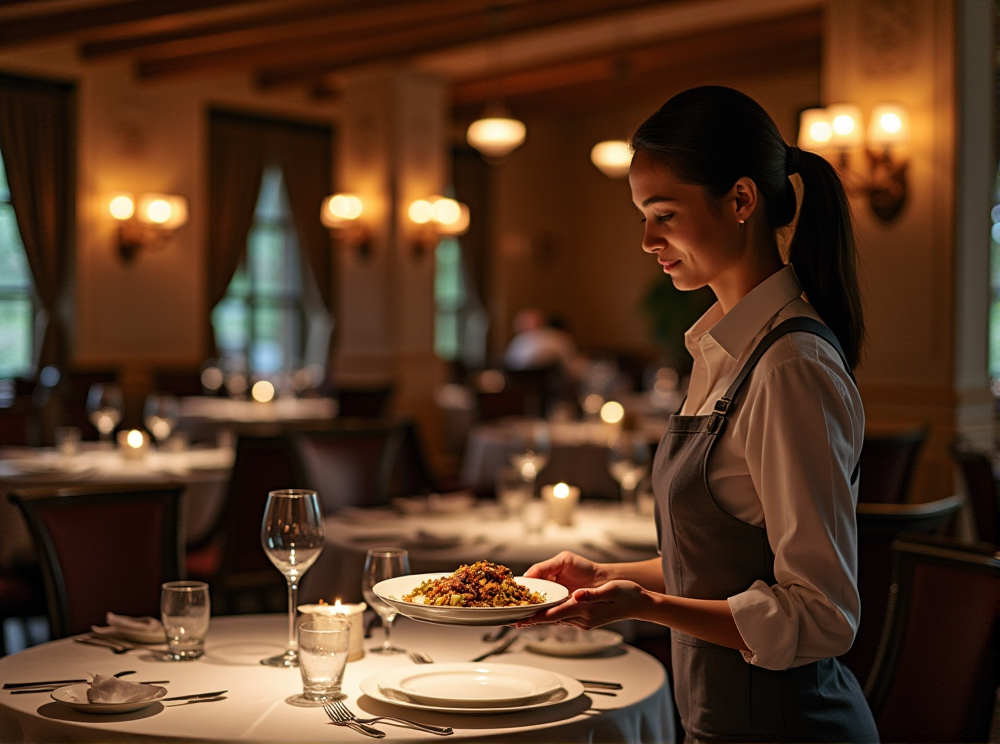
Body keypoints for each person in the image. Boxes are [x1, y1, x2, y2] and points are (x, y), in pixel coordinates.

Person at [519, 86, 879, 743]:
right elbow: (729, 569)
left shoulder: (790, 365)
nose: (648, 239)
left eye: (663, 214)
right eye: (641, 216)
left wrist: (650, 606)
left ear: (741, 200)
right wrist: (610, 576)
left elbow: (824, 613)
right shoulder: (720, 349)